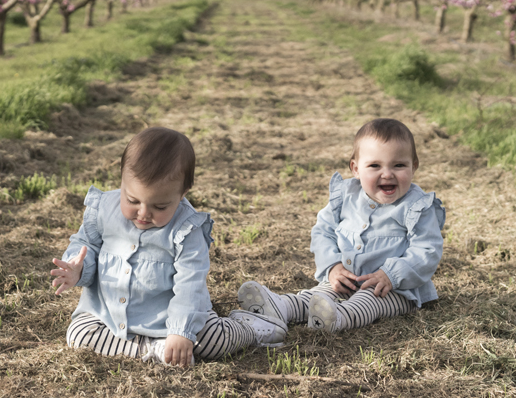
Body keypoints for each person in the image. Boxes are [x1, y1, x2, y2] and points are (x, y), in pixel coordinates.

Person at [51, 126, 286, 367]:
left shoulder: (187, 230)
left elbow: (189, 285)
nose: (143, 213)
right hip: (108, 314)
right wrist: (77, 268)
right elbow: (86, 245)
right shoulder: (103, 210)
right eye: (132, 200)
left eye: (160, 206)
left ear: (182, 193)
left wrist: (180, 331)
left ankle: (249, 329)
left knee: (213, 342)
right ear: (121, 179)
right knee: (79, 335)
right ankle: (151, 349)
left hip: (168, 318)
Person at [237, 118, 445, 332]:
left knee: (367, 302)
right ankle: (282, 307)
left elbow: (427, 250)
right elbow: (323, 231)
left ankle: (338, 318)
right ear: (355, 168)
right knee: (319, 295)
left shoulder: (417, 206)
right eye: (374, 165)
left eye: (399, 165)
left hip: (394, 289)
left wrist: (392, 274)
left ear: (414, 166)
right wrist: (333, 266)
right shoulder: (346, 196)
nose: (387, 173)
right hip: (347, 277)